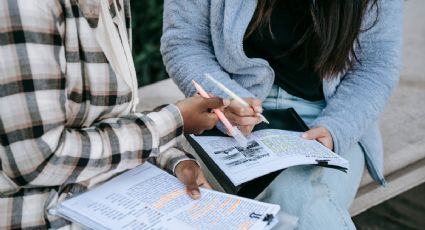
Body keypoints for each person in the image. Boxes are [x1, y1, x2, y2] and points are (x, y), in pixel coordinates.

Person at [161, 0, 403, 229]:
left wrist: (336, 129)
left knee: (297, 197)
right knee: (194, 203)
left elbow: (376, 65)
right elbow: (184, 43)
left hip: (330, 114)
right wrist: (227, 100)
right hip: (226, 112)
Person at [0, 0, 229, 229]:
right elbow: (37, 159)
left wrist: (173, 160)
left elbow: (109, 121)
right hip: (46, 215)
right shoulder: (26, 7)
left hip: (107, 200)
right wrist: (173, 121)